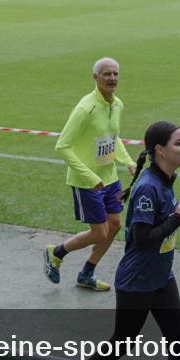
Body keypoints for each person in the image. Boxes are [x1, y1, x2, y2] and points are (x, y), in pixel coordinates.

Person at [87, 121, 180, 360]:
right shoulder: (148, 188)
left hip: (161, 277)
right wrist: (177, 218)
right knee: (121, 343)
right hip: (138, 280)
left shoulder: (164, 179)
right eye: (179, 143)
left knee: (178, 345)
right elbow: (143, 237)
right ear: (160, 150)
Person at [44, 58, 137, 291]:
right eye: (107, 74)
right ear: (95, 77)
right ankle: (56, 253)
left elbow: (112, 139)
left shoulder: (117, 105)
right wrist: (89, 177)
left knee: (114, 225)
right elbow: (62, 146)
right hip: (87, 181)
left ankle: (87, 273)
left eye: (115, 74)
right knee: (99, 232)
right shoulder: (86, 108)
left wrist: (127, 161)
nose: (112, 78)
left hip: (110, 177)